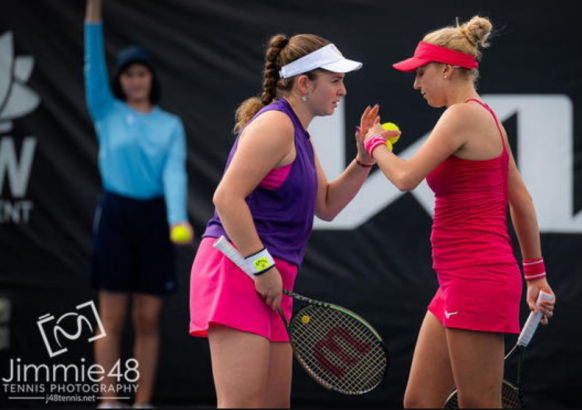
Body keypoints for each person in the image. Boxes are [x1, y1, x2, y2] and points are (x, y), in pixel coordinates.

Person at [188, 34, 395, 408]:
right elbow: (226, 198)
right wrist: (261, 264)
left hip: (271, 278)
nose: (343, 91)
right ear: (304, 84)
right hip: (239, 268)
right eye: (335, 81)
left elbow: (327, 205)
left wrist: (364, 160)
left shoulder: (300, 136)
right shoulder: (275, 126)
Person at [359, 16, 557, 408]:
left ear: (447, 69)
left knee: (477, 404)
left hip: (477, 278)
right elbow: (521, 202)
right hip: (458, 280)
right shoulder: (486, 119)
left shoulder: (461, 115)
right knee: (419, 402)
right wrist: (535, 276)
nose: (416, 84)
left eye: (421, 73)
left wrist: (375, 143)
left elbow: (405, 178)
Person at [84, 0, 193, 407]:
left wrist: (177, 219)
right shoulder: (105, 111)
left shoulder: (170, 125)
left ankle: (142, 402)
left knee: (147, 319)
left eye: (141, 73)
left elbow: (174, 173)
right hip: (115, 216)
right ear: (119, 80)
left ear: (151, 78)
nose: (135, 80)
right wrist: (93, 11)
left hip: (154, 220)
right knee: (110, 318)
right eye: (128, 74)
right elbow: (92, 63)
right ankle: (109, 401)